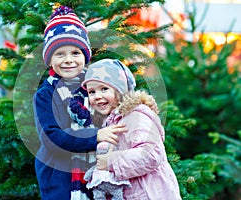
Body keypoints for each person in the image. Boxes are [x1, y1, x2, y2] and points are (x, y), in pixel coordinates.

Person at [33, 6, 127, 200]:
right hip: (59, 179)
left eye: (75, 53)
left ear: (85, 56)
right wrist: (96, 136)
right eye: (60, 54)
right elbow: (52, 138)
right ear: (49, 60)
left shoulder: (96, 85)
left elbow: (118, 109)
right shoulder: (45, 95)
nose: (68, 60)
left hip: (96, 171)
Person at [81, 58, 182, 200]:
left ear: (120, 90)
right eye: (92, 92)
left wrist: (110, 162)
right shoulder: (109, 122)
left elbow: (151, 154)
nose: (97, 96)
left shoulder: (136, 116)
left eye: (104, 89)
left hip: (151, 194)